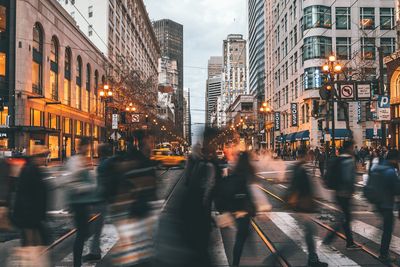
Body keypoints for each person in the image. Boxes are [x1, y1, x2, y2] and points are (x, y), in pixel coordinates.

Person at [284, 149, 327, 267]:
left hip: (302, 205)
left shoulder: (298, 168)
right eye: (308, 155)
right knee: (301, 237)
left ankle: (313, 259)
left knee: (309, 233)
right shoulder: (301, 170)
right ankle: (274, 259)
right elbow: (300, 188)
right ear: (304, 156)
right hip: (303, 206)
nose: (310, 158)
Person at [322, 140, 360, 250]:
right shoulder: (348, 161)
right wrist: (350, 190)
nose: (353, 150)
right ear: (349, 148)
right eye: (352, 148)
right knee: (345, 218)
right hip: (344, 193)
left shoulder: (339, 159)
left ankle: (349, 242)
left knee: (345, 218)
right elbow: (348, 178)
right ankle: (332, 240)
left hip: (337, 192)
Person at [65, 137, 96, 267]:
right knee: (81, 234)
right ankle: (76, 263)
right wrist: (86, 187)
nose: (88, 149)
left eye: (88, 147)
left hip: (85, 202)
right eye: (86, 147)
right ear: (81, 147)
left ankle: (77, 262)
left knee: (85, 232)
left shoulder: (86, 160)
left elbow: (92, 179)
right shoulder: (74, 161)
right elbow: (71, 183)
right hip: (77, 203)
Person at [82, 143, 116, 262]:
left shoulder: (104, 165)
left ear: (100, 152)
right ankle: (95, 251)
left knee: (93, 227)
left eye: (98, 150)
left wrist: (94, 197)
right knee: (97, 226)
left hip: (101, 199)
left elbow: (103, 184)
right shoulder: (107, 162)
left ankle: (95, 251)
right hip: (105, 199)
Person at [12, 145, 50, 246]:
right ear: (35, 157)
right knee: (31, 245)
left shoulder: (34, 169)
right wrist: (30, 219)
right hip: (29, 218)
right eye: (42, 156)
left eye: (45, 155)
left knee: (36, 245)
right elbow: (24, 195)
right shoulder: (29, 170)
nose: (44, 158)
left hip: (34, 217)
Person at [370, 150, 400, 264]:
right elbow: (397, 190)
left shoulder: (378, 167)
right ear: (394, 159)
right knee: (388, 230)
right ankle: (383, 254)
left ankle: (383, 250)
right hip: (387, 204)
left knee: (386, 226)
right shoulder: (391, 171)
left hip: (377, 203)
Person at [229, 152, 256, 267]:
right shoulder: (248, 170)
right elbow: (248, 191)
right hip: (243, 208)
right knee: (241, 236)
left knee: (242, 234)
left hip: (236, 207)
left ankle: (238, 261)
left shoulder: (236, 169)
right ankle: (236, 263)